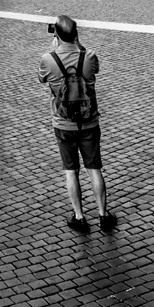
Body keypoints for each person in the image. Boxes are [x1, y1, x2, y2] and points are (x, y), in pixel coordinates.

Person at [38, 16, 114, 233]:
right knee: (94, 169)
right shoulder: (89, 56)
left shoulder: (48, 59)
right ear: (76, 34)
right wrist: (78, 44)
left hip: (63, 124)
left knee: (71, 171)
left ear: (56, 35)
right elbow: (95, 70)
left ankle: (79, 217)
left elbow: (41, 79)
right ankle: (103, 215)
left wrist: (56, 48)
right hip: (89, 122)